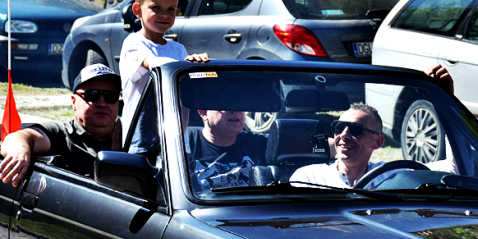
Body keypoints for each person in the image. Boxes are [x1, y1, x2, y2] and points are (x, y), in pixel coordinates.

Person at [290, 64, 456, 189]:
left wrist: (447, 104)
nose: (344, 135)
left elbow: (453, 169)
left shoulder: (394, 176)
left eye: (356, 129)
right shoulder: (308, 178)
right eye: (339, 128)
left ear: (377, 142)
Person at [0, 63, 121, 186]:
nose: (102, 103)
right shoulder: (63, 134)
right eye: (92, 95)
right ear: (74, 102)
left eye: (110, 96)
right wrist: (21, 150)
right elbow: (19, 137)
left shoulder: (130, 137)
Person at [119, 0, 208, 144]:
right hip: (142, 138)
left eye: (171, 9)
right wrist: (184, 66)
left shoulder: (178, 49)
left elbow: (188, 87)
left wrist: (198, 66)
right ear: (137, 10)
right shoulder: (133, 43)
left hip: (174, 139)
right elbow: (152, 63)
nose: (164, 15)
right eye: (156, 8)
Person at [188, 110, 268, 191]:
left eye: (240, 104)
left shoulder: (260, 143)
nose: (235, 110)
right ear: (203, 113)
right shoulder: (184, 145)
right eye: (225, 103)